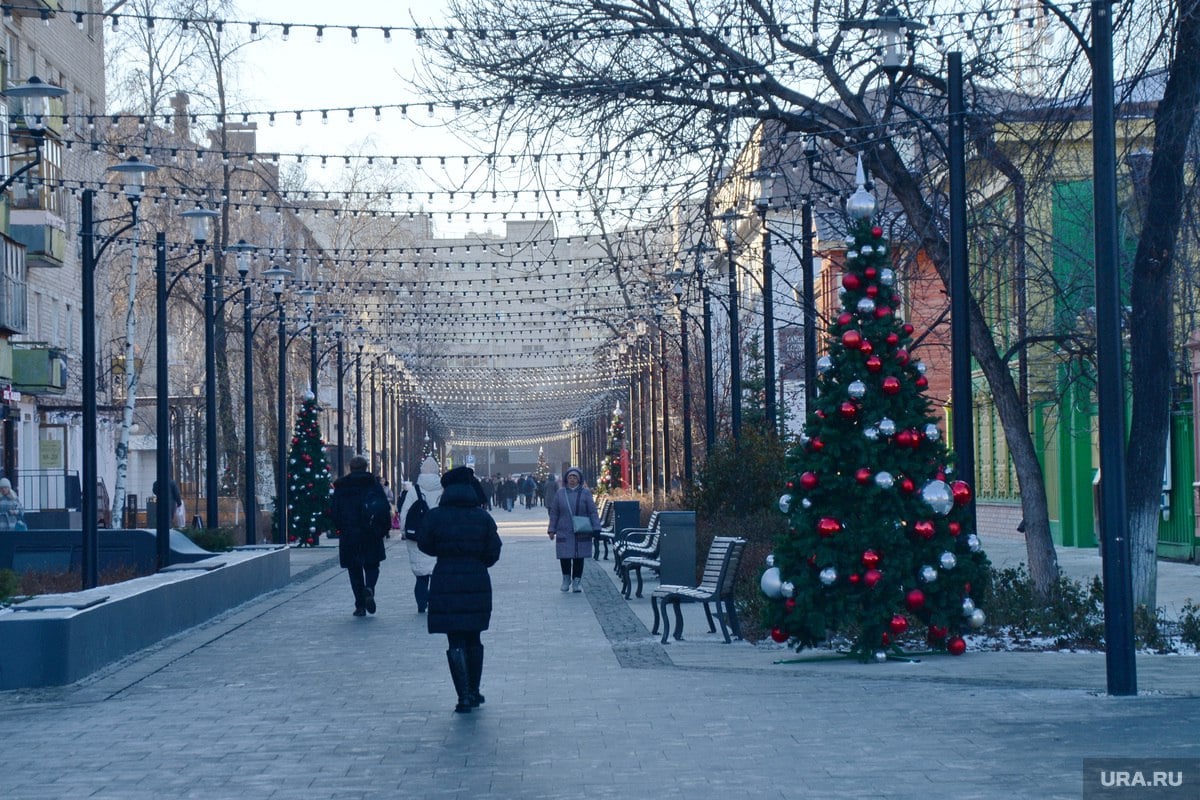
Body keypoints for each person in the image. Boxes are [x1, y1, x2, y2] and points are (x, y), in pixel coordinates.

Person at [417, 465, 502, 714]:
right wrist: (478, 561)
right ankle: (474, 690)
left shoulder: (435, 516)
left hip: (445, 579)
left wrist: (445, 554)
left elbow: (424, 544)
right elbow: (493, 550)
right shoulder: (482, 517)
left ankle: (462, 695)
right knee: (474, 636)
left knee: (454, 637)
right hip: (476, 580)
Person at [331, 454, 391, 617]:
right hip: (371, 533)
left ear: (351, 468)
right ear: (366, 468)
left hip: (349, 535)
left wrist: (340, 528)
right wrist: (384, 530)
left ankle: (360, 606)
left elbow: (334, 511)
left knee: (354, 569)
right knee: (372, 565)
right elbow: (384, 509)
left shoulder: (341, 486)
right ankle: (370, 587)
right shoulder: (373, 485)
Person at [547, 467, 601, 593]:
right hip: (564, 529)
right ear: (566, 479)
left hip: (581, 529)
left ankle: (577, 581)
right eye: (570, 477)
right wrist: (552, 529)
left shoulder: (585, 493)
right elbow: (555, 512)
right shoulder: (560, 493)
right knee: (564, 556)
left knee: (578, 556)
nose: (572, 480)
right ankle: (566, 579)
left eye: (574, 477)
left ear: (579, 479)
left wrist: (596, 527)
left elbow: (592, 511)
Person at [399, 456, 442, 613]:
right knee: (437, 572)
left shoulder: (413, 491)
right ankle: (435, 600)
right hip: (438, 537)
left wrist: (404, 532)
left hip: (417, 536)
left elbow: (405, 513)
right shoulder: (442, 489)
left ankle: (421, 603)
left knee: (421, 576)